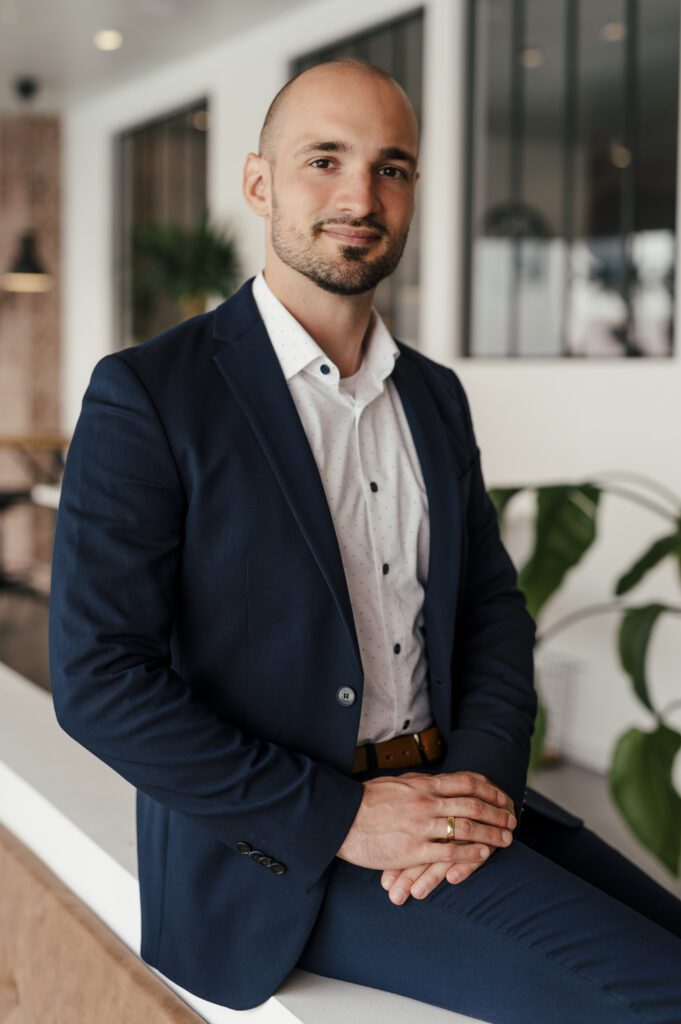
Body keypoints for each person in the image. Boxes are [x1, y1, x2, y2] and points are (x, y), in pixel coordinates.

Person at [49, 58, 681, 1023]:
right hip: (287, 858)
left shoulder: (433, 394)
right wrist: (346, 817)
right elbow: (100, 678)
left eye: (390, 168)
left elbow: (489, 609)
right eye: (324, 160)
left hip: (448, 797)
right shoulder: (149, 394)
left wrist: (474, 787)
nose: (360, 196)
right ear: (259, 182)